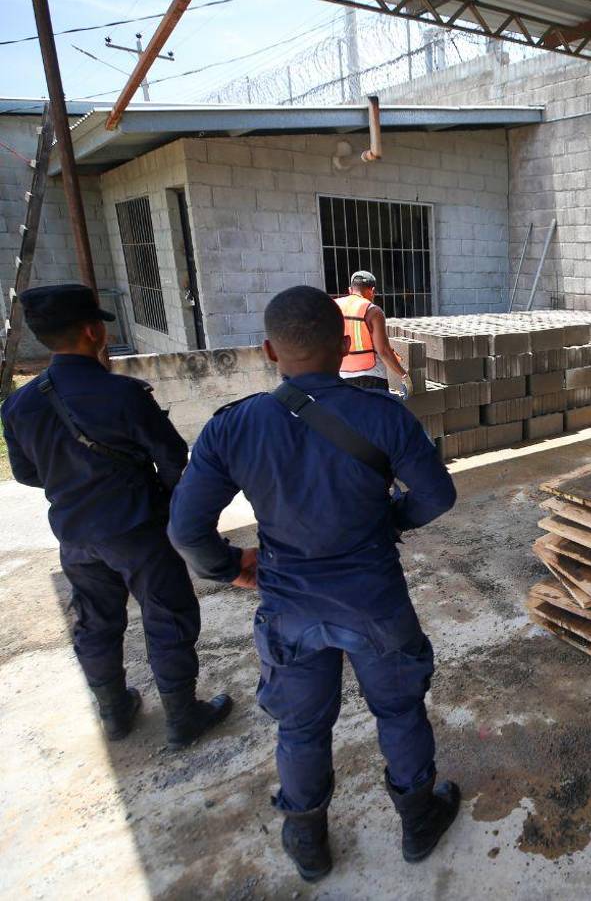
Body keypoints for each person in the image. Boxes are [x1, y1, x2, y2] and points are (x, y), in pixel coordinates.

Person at [168, 285, 459, 882]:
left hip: (288, 603)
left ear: (272, 349)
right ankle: (417, 819)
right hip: (374, 599)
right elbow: (436, 496)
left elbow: (187, 530)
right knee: (400, 711)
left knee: (300, 726)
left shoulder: (235, 426)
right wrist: (387, 522)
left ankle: (308, 843)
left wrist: (234, 568)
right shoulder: (385, 416)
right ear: (346, 342)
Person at [0, 283, 232, 748]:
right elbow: (171, 459)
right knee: (167, 616)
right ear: (92, 332)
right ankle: (182, 716)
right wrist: (171, 509)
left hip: (75, 536)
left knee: (95, 620)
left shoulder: (18, 405)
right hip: (138, 530)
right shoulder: (123, 395)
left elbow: (26, 475)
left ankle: (114, 711)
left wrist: (74, 484)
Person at [336, 270, 410, 395]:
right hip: (372, 377)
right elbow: (383, 351)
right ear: (373, 290)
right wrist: (403, 375)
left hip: (342, 376)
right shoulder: (373, 311)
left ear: (350, 289)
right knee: (376, 414)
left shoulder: (333, 306)